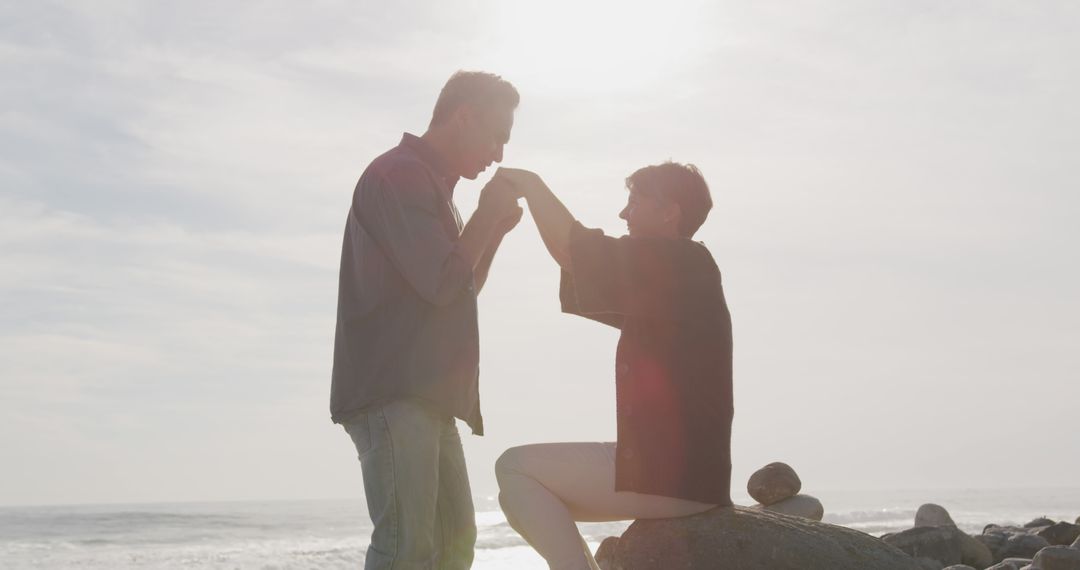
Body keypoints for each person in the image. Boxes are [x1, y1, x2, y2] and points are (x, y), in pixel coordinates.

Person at [492, 164, 734, 570]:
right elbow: (579, 264)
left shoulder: (683, 263)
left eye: (634, 202)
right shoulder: (676, 277)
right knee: (516, 489)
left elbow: (575, 251)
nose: (623, 214)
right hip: (676, 471)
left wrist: (530, 184)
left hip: (673, 476)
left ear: (669, 212)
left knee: (515, 468)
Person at [330, 71, 522, 570]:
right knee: (408, 548)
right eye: (497, 137)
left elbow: (462, 288)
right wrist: (485, 216)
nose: (499, 154)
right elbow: (443, 283)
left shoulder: (430, 184)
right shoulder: (400, 176)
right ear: (464, 117)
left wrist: (493, 229)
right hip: (394, 392)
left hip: (425, 397)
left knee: (453, 547)